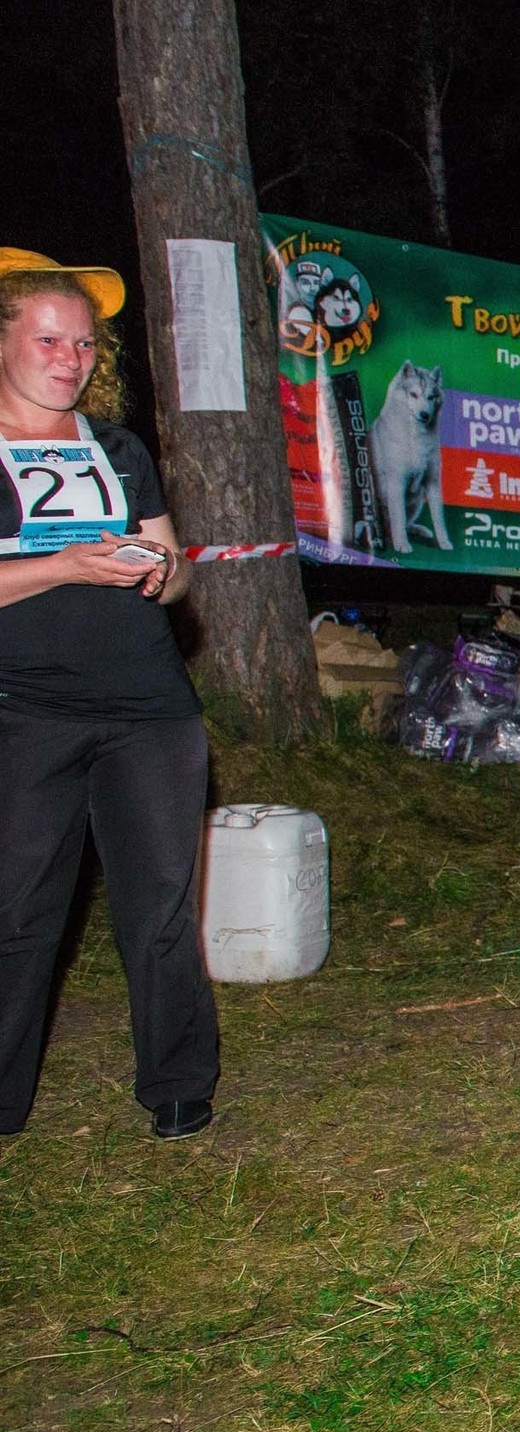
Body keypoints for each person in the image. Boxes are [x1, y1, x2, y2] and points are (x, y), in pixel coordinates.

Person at [0, 251, 219, 1141]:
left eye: (85, 344)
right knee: (17, 911)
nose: (72, 359)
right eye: (49, 340)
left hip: (149, 708)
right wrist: (63, 565)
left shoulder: (117, 448)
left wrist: (162, 570)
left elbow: (176, 573)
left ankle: (179, 1082)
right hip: (22, 708)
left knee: (160, 904)